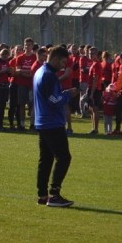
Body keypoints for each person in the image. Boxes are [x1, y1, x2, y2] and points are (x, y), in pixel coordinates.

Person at [34, 44, 78, 207]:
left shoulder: (40, 72)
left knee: (45, 159)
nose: (63, 66)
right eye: (62, 62)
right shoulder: (49, 76)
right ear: (55, 58)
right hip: (52, 122)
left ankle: (42, 194)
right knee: (64, 157)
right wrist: (68, 95)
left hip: (42, 121)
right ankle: (54, 194)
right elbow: (54, 100)